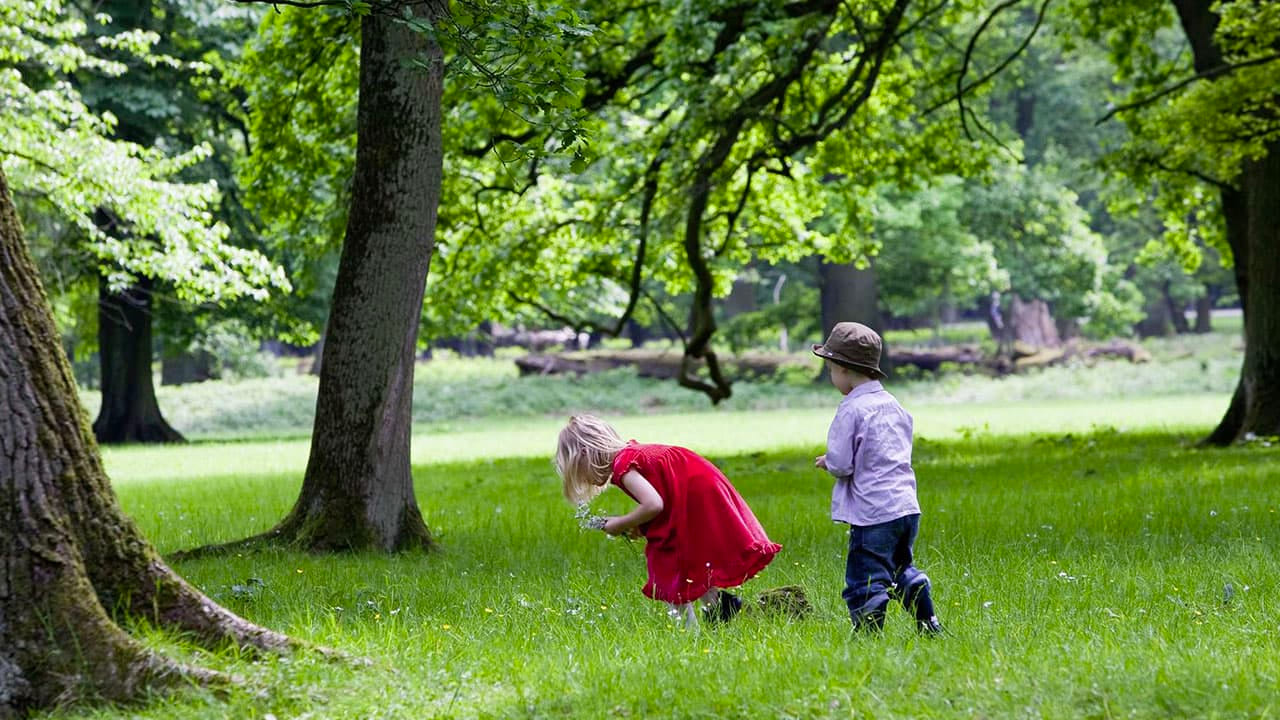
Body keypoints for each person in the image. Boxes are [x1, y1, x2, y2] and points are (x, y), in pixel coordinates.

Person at [556, 414, 781, 627]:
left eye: (579, 471)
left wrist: (620, 523)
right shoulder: (631, 454)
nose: (586, 479)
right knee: (686, 556)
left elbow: (654, 504)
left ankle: (687, 630)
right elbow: (660, 498)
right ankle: (720, 606)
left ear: (586, 454)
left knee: (666, 561)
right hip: (698, 490)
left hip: (695, 496)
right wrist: (639, 525)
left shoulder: (622, 466)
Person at [812, 322, 943, 635]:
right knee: (899, 569)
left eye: (831, 369)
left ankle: (869, 636)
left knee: (865, 578)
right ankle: (927, 619)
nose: (832, 377)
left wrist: (828, 462)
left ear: (843, 369)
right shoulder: (894, 405)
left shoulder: (852, 409)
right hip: (906, 507)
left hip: (872, 513)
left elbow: (843, 464)